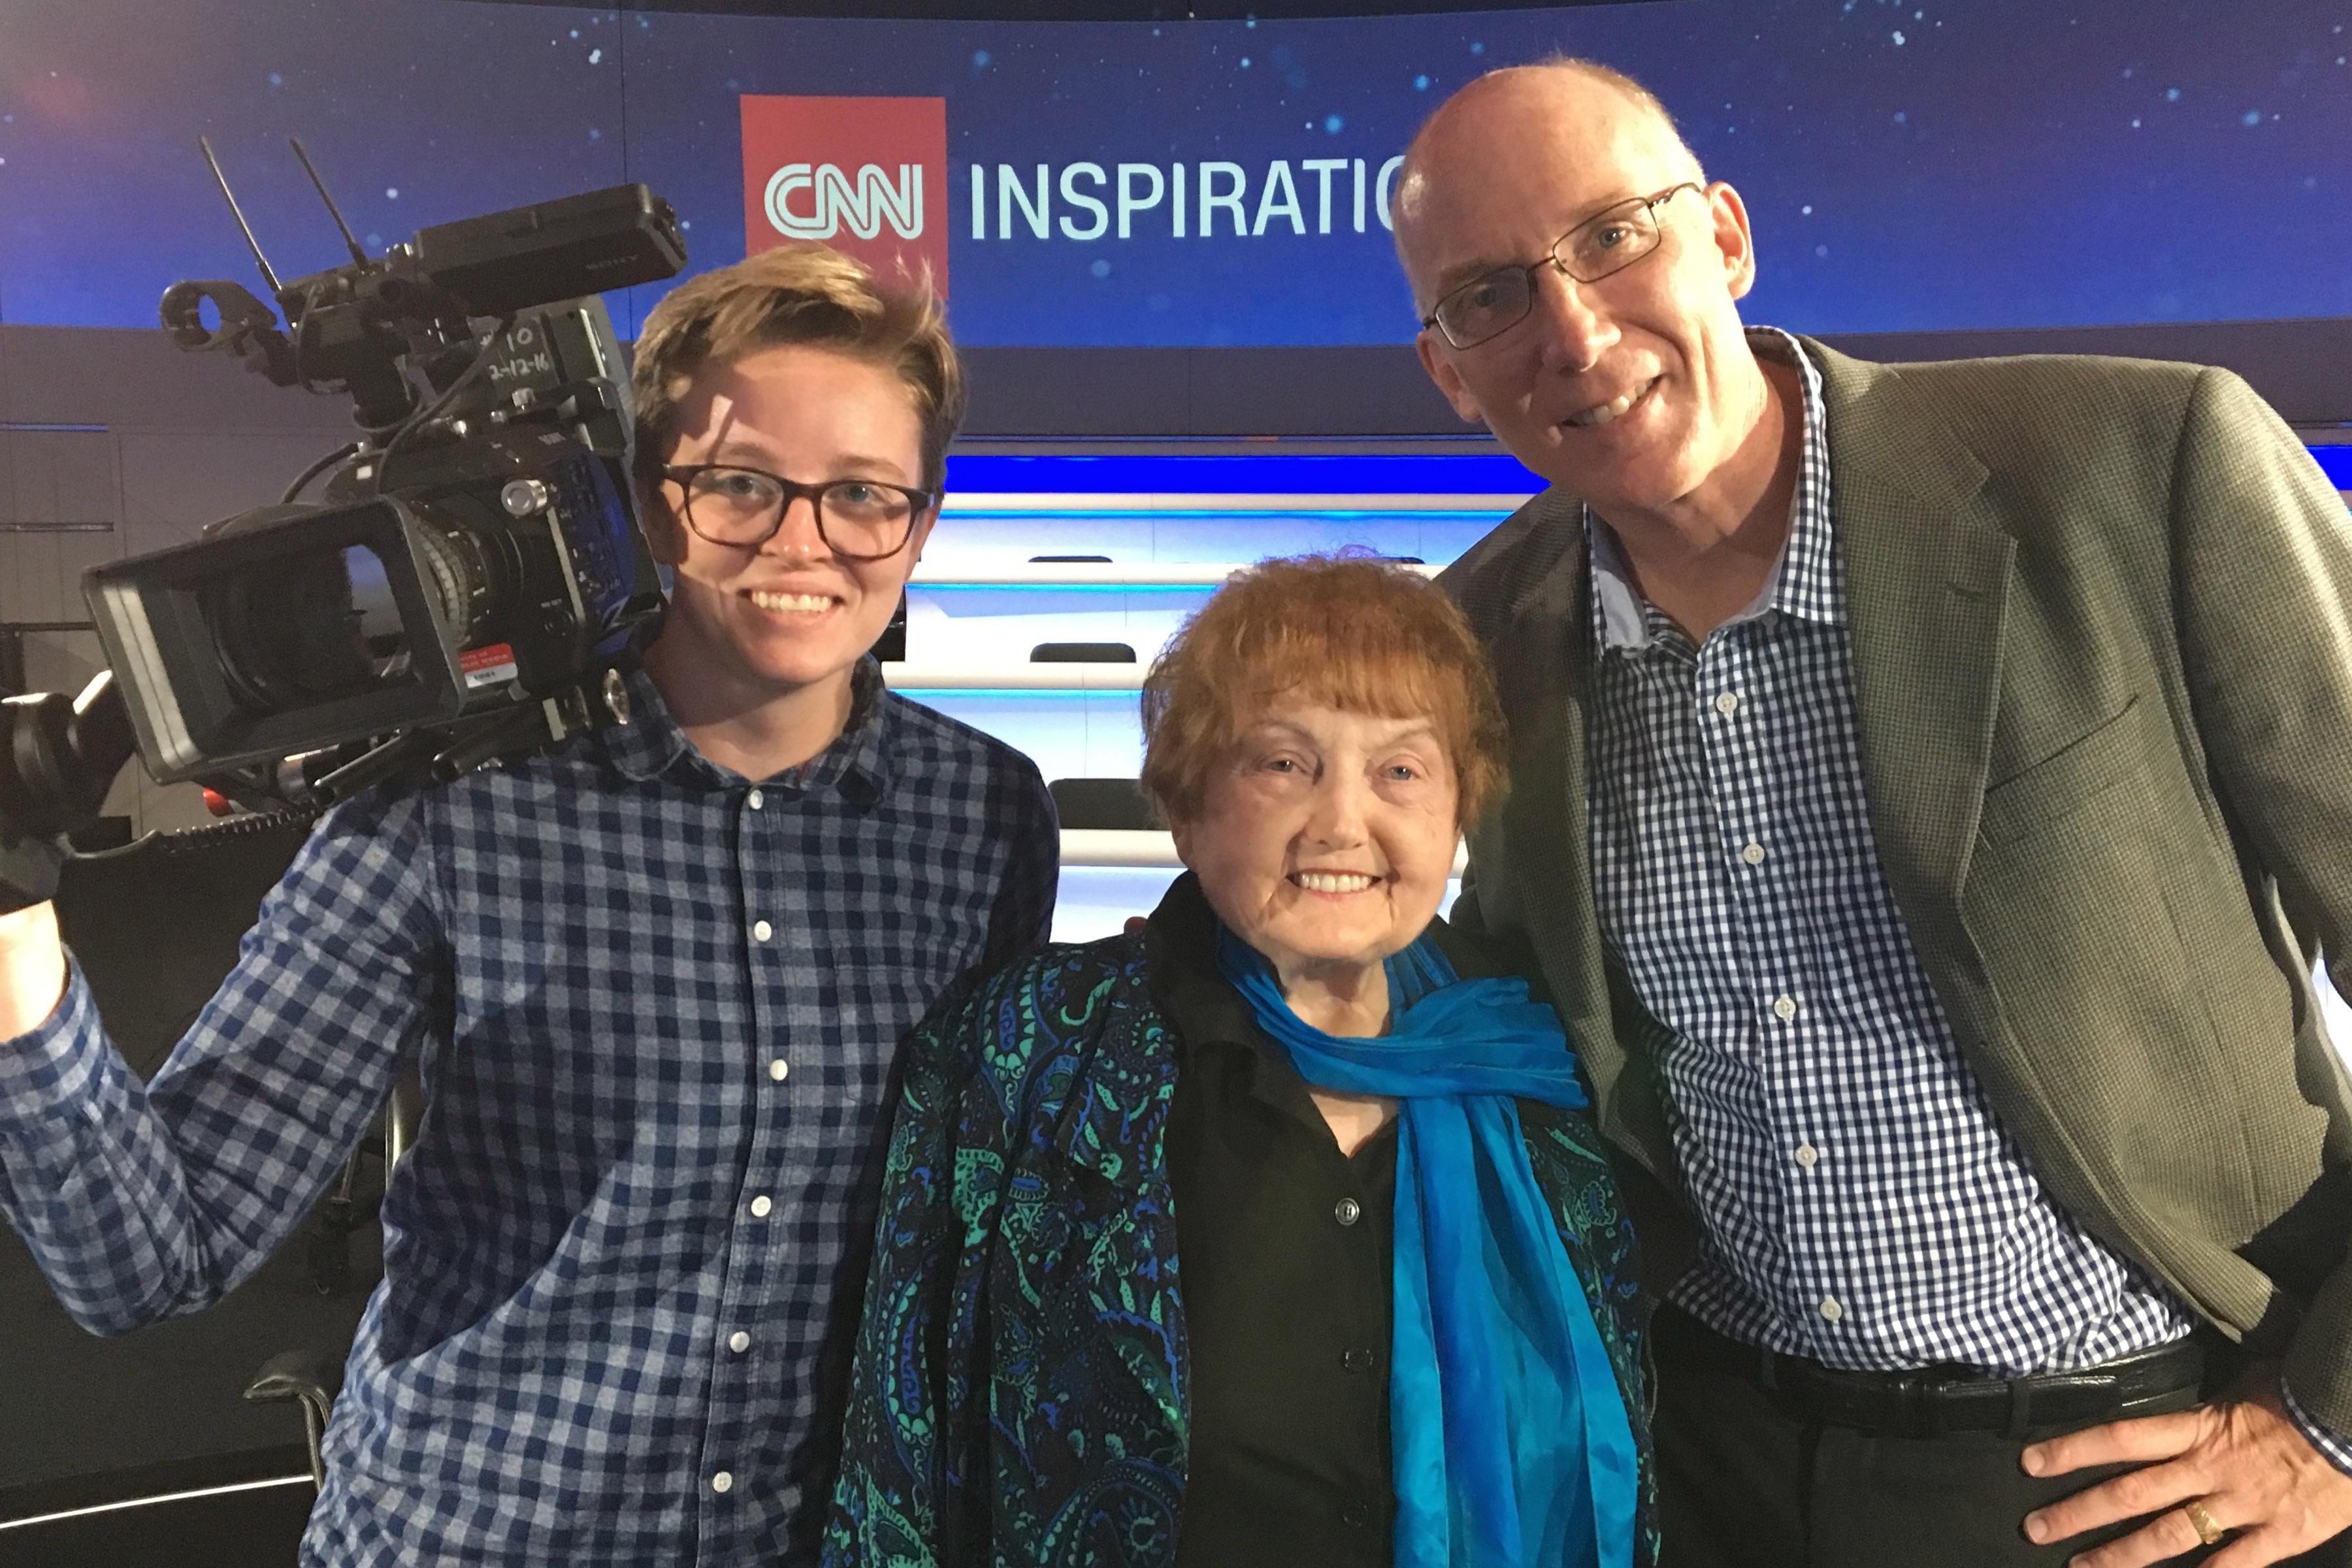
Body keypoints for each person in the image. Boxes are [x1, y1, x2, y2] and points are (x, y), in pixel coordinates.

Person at [1392, 57, 2352, 1568]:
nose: (1573, 330)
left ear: (1725, 234)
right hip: (1722, 1474)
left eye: (1614, 237)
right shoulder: (1478, 641)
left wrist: (2332, 1422)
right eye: (1493, 296)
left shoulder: (2137, 472)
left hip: (2171, 1466)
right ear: (1450, 368)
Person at [0, 243, 1058, 1564]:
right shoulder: (455, 804)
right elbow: (153, 1257)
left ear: (923, 516)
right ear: (650, 501)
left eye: (861, 493)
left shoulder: (987, 818)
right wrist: (12, 915)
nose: (804, 540)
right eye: (740, 484)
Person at [821, 554, 1656, 1568]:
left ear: (1458, 806)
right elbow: (902, 1444)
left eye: (1400, 769)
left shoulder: (1540, 1069)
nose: (1344, 822)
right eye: (1283, 764)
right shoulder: (1029, 1053)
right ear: (1187, 803)